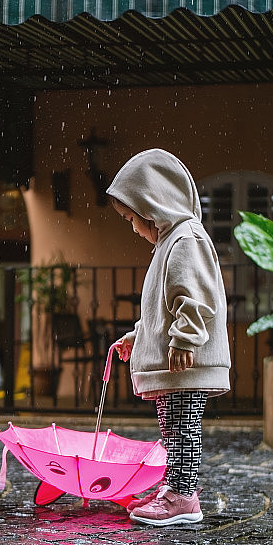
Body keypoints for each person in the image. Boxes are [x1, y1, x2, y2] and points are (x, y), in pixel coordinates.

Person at [106, 148, 231, 525]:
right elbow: (160, 311)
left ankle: (183, 496)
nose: (132, 227)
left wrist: (186, 339)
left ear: (153, 205)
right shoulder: (168, 244)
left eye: (132, 217)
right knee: (173, 427)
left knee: (183, 427)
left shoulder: (185, 239)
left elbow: (193, 296)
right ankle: (174, 486)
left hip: (185, 363)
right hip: (176, 364)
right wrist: (137, 337)